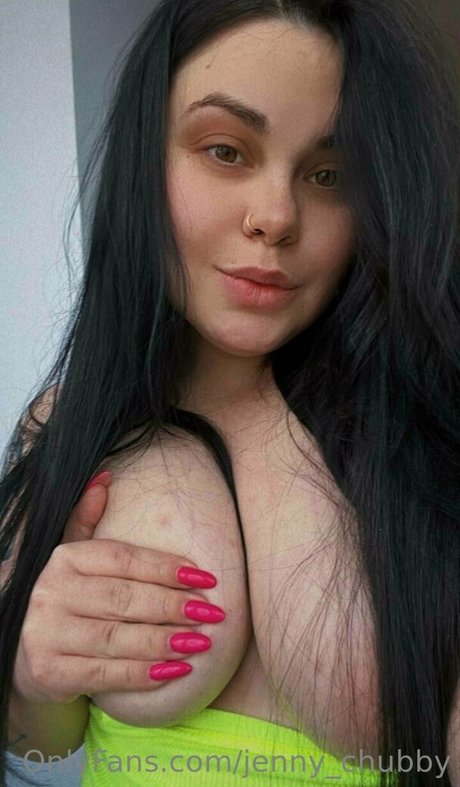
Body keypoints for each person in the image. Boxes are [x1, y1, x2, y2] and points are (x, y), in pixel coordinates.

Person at [1, 0, 459, 785]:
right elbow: (43, 746)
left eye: (328, 175)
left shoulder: (430, 426)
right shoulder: (68, 423)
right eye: (225, 150)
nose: (276, 217)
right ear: (145, 164)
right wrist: (31, 673)